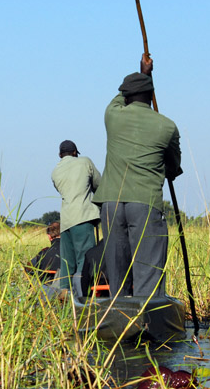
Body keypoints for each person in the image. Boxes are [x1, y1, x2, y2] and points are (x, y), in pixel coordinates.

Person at [92, 53, 183, 298]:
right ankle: (147, 317)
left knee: (116, 270)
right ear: (151, 96)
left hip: (110, 204)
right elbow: (174, 168)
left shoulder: (112, 115)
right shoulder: (166, 125)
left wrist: (143, 73)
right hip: (144, 202)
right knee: (148, 272)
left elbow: (117, 97)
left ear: (126, 96)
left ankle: (117, 314)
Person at [51, 139, 101, 296]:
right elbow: (99, 184)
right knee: (85, 259)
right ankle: (83, 297)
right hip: (83, 217)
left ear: (60, 155)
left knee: (67, 263)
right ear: (74, 153)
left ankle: (65, 295)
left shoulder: (55, 171)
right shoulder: (84, 162)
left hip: (65, 221)